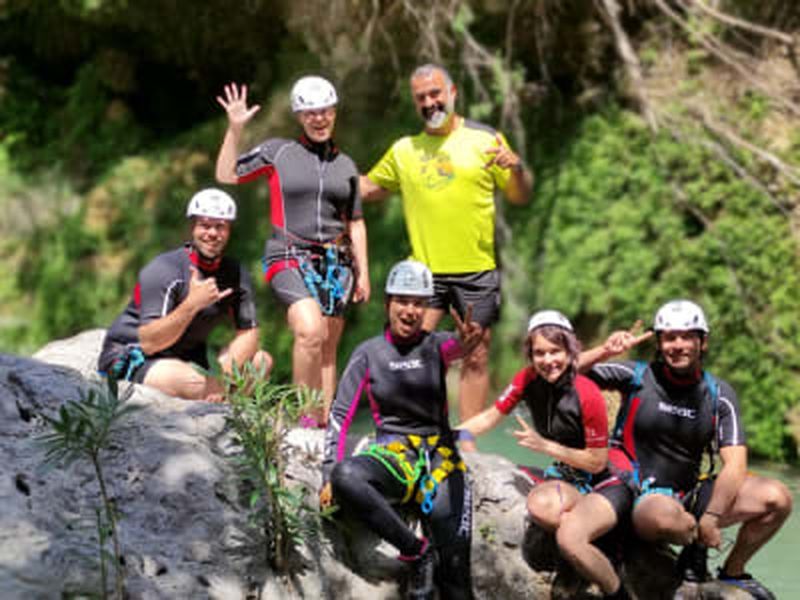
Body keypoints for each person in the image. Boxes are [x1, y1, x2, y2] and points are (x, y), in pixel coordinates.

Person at [359, 64, 533, 450]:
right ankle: (409, 430)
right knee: (409, 349)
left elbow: (520, 195)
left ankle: (466, 439)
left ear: (452, 92)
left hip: (476, 269)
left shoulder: (485, 139)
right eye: (421, 97)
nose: (429, 102)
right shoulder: (404, 150)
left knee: (476, 352)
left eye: (435, 93)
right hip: (424, 274)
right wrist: (318, 180)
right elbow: (369, 187)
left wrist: (516, 167)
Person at [582, 300, 793, 599]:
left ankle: (733, 571)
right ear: (659, 342)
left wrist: (712, 516)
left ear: (702, 342)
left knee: (778, 498)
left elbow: (734, 465)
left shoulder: (718, 393)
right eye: (669, 337)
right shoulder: (635, 375)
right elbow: (558, 374)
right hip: (640, 495)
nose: (677, 345)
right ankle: (694, 546)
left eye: (687, 337)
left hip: (690, 493)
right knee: (664, 517)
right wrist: (605, 351)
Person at [319, 260, 482, 600]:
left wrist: (467, 343)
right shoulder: (368, 353)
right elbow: (339, 414)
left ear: (425, 309)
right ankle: (417, 552)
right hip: (395, 459)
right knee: (346, 475)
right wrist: (326, 474)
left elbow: (458, 347)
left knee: (456, 583)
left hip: (442, 462)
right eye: (402, 301)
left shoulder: (437, 345)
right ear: (388, 303)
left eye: (418, 303)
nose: (410, 310)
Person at [215, 76, 369, 420]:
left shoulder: (346, 166)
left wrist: (364, 273)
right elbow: (226, 174)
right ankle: (304, 418)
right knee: (309, 329)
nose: (319, 118)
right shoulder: (279, 152)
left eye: (325, 111)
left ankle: (325, 427)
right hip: (288, 254)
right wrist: (235, 129)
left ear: (334, 112)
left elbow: (355, 221)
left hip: (336, 262)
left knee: (327, 347)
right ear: (300, 116)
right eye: (310, 112)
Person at [458, 310, 634, 600]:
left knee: (570, 536)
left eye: (556, 351)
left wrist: (545, 446)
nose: (548, 360)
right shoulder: (527, 379)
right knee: (541, 505)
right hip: (569, 477)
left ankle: (618, 593)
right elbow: (489, 417)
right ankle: (584, 556)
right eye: (539, 352)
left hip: (608, 481)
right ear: (530, 354)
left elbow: (597, 461)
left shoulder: (586, 392)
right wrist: (448, 435)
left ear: (570, 351)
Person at [98, 188, 272, 401]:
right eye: (205, 225)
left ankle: (221, 402)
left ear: (229, 231)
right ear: (192, 227)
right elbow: (150, 341)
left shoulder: (235, 273)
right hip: (137, 357)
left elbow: (248, 334)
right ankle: (222, 399)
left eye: (220, 227)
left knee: (261, 362)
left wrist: (225, 376)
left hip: (190, 358)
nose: (212, 233)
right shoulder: (164, 269)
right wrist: (192, 304)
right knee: (192, 381)